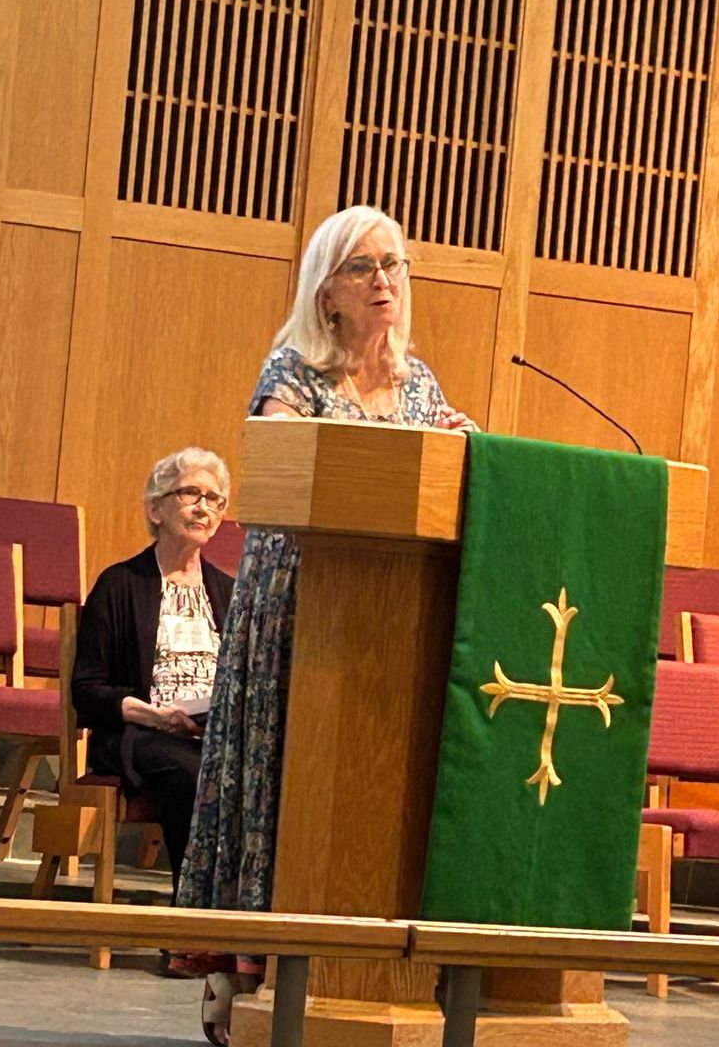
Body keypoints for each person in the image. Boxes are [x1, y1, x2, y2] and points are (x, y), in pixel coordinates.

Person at [176, 207, 478, 1038]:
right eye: (362, 267)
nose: (384, 280)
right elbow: (281, 464)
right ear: (328, 290)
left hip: (387, 628)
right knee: (284, 781)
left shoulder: (422, 386)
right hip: (298, 613)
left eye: (394, 264)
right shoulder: (295, 371)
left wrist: (461, 449)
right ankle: (247, 972)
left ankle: (362, 959)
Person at [71, 447, 234, 932]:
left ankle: (245, 926)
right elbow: (88, 689)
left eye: (216, 499)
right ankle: (190, 926)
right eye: (191, 494)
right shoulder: (120, 584)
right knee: (194, 772)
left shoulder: (229, 591)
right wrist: (152, 716)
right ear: (155, 508)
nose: (204, 507)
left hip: (209, 733)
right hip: (140, 733)